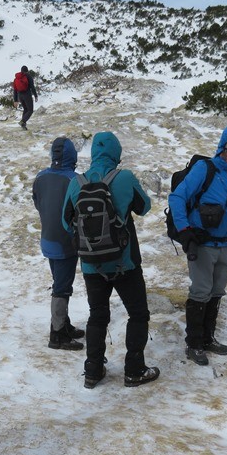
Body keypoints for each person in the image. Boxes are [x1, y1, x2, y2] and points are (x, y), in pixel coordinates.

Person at [62, 131, 160, 389]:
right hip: (124, 262)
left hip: (91, 264)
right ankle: (134, 369)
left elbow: (65, 221)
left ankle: (93, 370)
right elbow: (144, 207)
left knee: (97, 316)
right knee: (138, 314)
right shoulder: (124, 177)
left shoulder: (77, 182)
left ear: (93, 153)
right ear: (116, 153)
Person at [167, 124, 227, 366]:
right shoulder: (204, 169)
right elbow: (177, 197)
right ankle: (194, 344)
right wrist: (185, 230)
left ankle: (208, 338)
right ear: (222, 148)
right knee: (201, 291)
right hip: (202, 243)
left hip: (225, 244)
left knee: (217, 291)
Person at [32, 137, 85, 351]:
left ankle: (64, 323)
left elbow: (37, 202)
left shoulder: (41, 177)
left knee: (59, 282)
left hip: (47, 239)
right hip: (66, 242)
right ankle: (58, 334)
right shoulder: (75, 180)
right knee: (62, 288)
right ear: (73, 156)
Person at [13, 65, 38, 130]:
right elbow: (32, 87)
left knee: (26, 109)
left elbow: (15, 90)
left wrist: (15, 100)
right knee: (30, 110)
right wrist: (35, 95)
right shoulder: (28, 76)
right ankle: (23, 122)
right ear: (27, 71)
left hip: (20, 95)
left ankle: (23, 125)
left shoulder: (16, 78)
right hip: (27, 95)